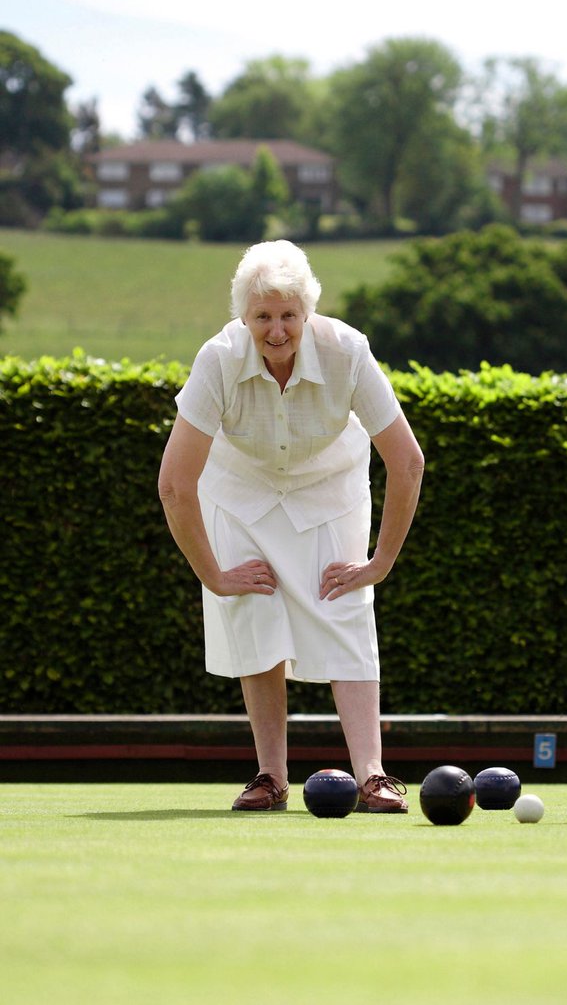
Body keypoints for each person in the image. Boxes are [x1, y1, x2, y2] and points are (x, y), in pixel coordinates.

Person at [158, 240, 424, 812]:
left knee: (345, 605)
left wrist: (380, 564)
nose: (276, 330)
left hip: (329, 488)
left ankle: (373, 777)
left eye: (288, 315)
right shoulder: (218, 359)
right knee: (254, 607)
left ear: (308, 314)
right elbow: (175, 484)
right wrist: (215, 576)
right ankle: (270, 777)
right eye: (261, 317)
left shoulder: (348, 350)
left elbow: (407, 462)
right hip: (240, 492)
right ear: (242, 317)